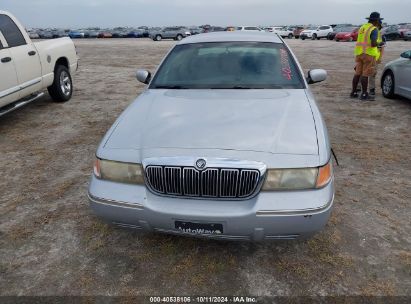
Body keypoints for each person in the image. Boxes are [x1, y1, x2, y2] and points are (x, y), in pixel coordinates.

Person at [350, 12, 385, 101]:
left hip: (359, 53)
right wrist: (379, 43)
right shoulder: (374, 29)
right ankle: (364, 94)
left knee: (357, 73)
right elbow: (373, 43)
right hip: (369, 54)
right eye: (379, 21)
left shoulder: (362, 27)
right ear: (376, 21)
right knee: (365, 74)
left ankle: (353, 92)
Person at [369, 22, 386, 97]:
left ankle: (370, 90)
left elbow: (382, 48)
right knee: (371, 74)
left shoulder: (381, 36)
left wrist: (379, 58)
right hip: (370, 56)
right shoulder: (371, 33)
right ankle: (370, 90)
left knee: (371, 74)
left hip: (374, 57)